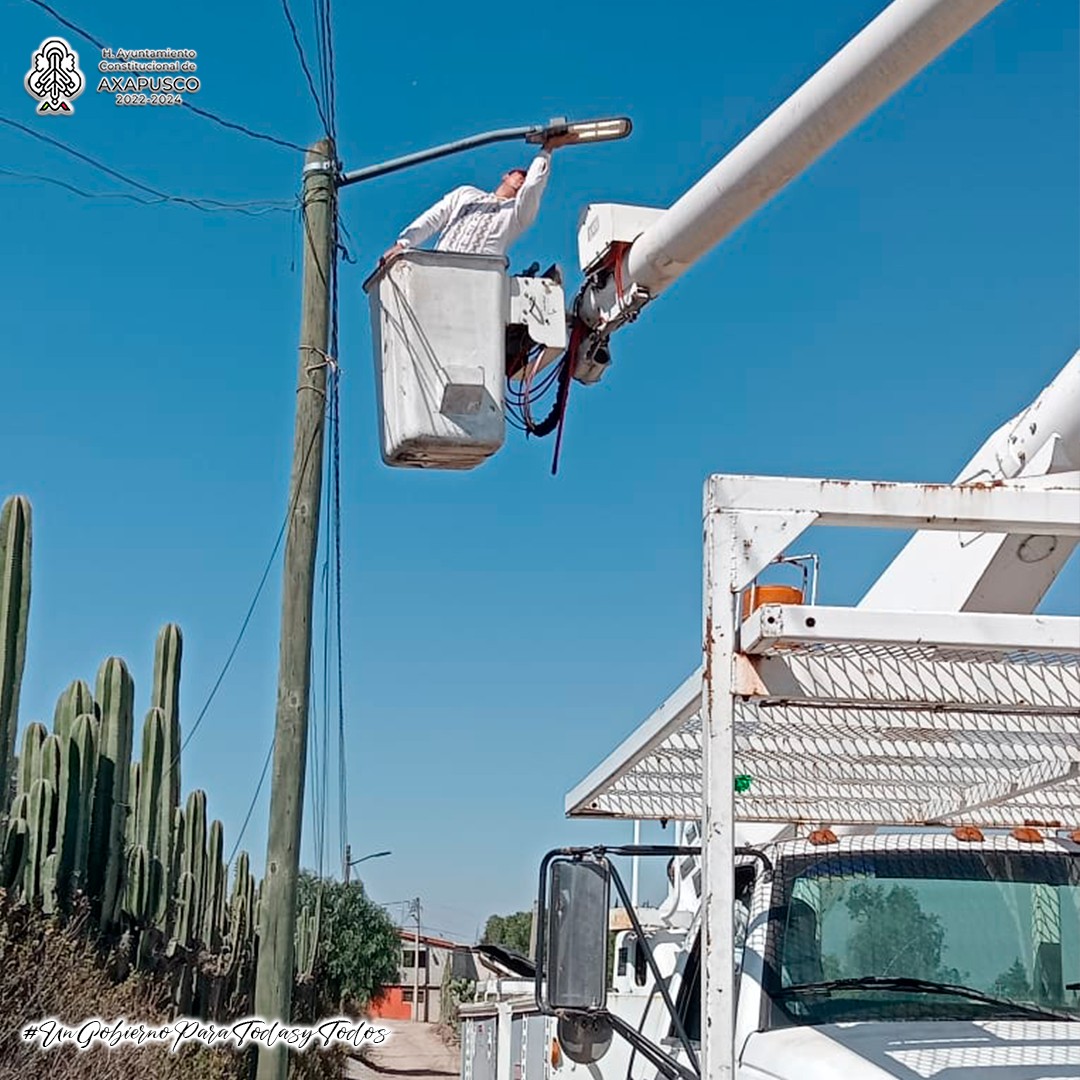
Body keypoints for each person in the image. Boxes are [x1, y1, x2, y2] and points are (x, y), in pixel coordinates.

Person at [380, 133, 572, 264]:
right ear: (505, 176)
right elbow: (434, 217)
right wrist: (403, 243)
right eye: (519, 174)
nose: (523, 179)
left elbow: (533, 186)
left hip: (477, 282)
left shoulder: (517, 214)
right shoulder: (466, 193)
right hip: (438, 271)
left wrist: (547, 150)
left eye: (526, 175)